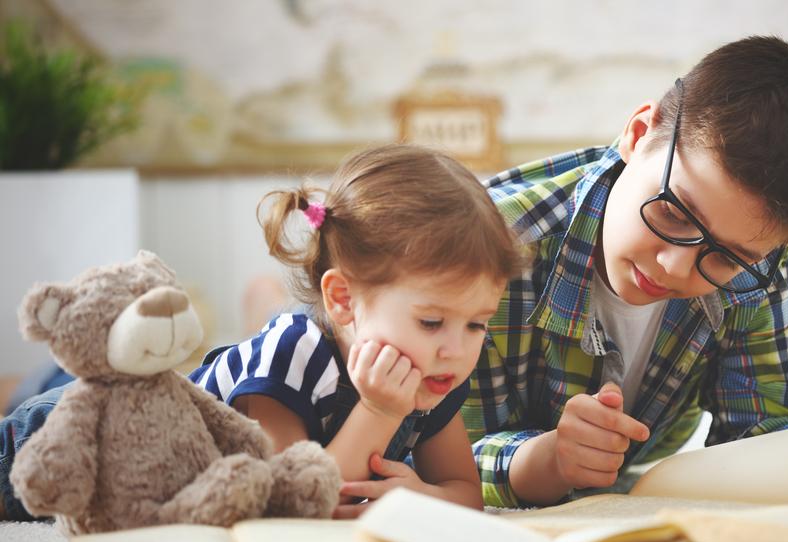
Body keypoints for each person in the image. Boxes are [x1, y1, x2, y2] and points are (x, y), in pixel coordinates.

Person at [461, 36, 788, 508]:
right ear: (638, 134)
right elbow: (426, 456)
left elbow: (759, 434)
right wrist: (548, 459)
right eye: (672, 212)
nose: (675, 266)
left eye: (725, 257)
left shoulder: (759, 268)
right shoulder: (483, 246)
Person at [0, 144, 522, 521]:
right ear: (342, 299)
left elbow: (465, 493)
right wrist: (380, 411)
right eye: (431, 321)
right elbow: (288, 499)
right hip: (78, 435)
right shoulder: (294, 354)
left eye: (477, 323)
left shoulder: (435, 370)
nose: (456, 349)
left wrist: (423, 499)